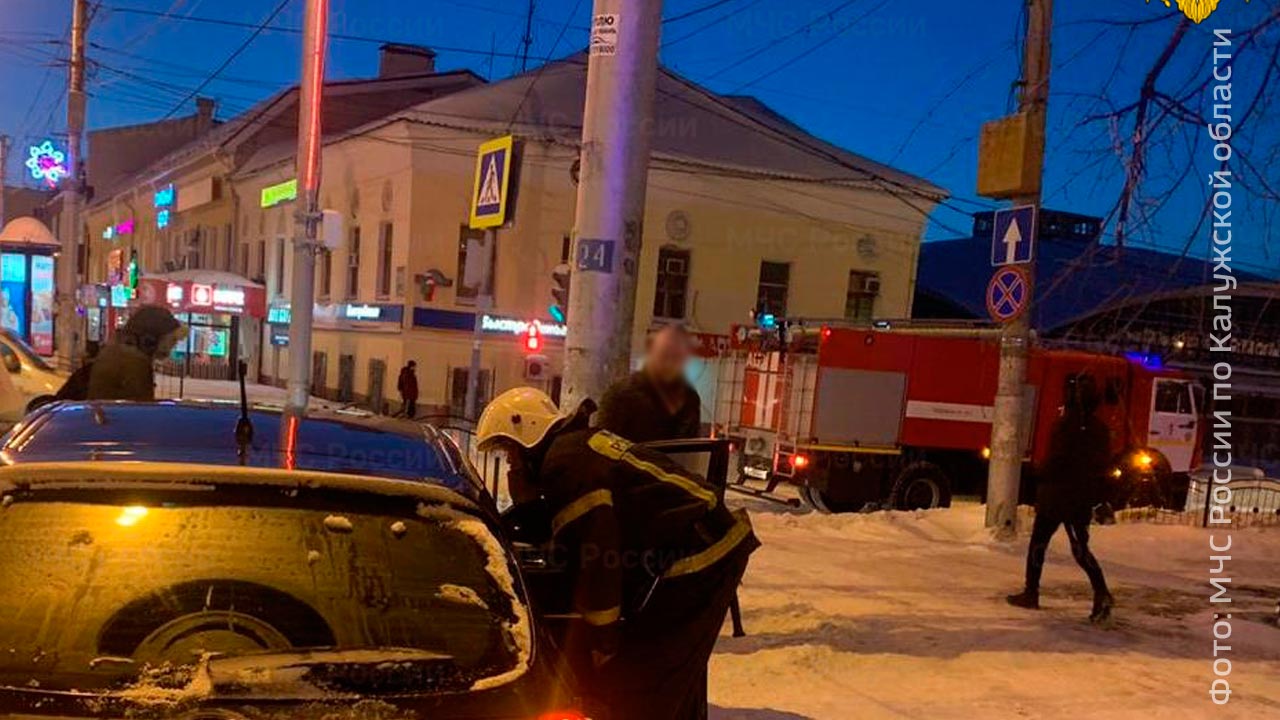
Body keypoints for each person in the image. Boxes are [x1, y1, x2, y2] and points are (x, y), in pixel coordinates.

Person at [477, 387, 758, 719]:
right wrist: (526, 506)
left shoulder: (565, 466)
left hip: (701, 552)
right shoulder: (572, 449)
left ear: (527, 433)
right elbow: (571, 530)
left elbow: (597, 558)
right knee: (669, 671)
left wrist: (602, 641)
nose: (510, 463)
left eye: (510, 451)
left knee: (652, 675)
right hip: (702, 539)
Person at [1007, 372, 1115, 623]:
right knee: (1080, 549)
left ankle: (1031, 592)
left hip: (1055, 497)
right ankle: (1101, 591)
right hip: (1081, 498)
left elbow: (1056, 460)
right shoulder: (1100, 430)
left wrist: (1039, 473)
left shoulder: (1064, 425)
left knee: (1039, 543)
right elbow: (1102, 466)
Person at [596, 324, 702, 443]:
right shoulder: (621, 395)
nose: (671, 361)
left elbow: (690, 446)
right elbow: (602, 446)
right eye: (665, 353)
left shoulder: (690, 398)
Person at [87, 305, 183, 401]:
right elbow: (140, 406)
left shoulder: (118, 352)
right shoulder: (134, 362)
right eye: (170, 340)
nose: (172, 347)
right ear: (150, 340)